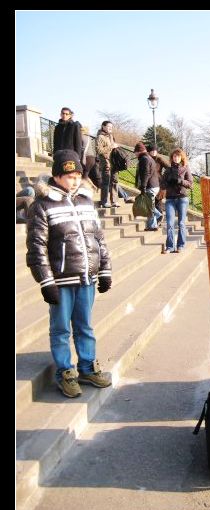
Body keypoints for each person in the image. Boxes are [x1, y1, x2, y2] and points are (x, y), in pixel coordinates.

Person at [26, 150, 112, 398]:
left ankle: (87, 367)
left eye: (77, 176)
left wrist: (104, 269)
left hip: (86, 277)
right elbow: (37, 248)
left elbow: (99, 239)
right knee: (61, 328)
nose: (74, 181)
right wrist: (46, 281)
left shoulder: (86, 201)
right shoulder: (42, 205)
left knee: (85, 326)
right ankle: (65, 371)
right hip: (61, 280)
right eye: (68, 176)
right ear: (56, 176)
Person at [160, 148, 193, 253]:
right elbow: (162, 184)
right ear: (172, 157)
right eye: (174, 156)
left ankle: (180, 245)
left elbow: (191, 184)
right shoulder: (168, 170)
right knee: (169, 223)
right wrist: (168, 182)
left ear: (181, 158)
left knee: (181, 223)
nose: (176, 158)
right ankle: (170, 246)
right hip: (170, 199)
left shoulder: (185, 168)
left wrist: (180, 181)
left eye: (178, 156)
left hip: (182, 198)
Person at [133, 142, 161, 230]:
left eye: (135, 152)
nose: (135, 154)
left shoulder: (144, 159)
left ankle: (154, 223)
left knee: (149, 206)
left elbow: (145, 174)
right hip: (154, 185)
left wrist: (143, 187)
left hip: (150, 186)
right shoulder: (149, 158)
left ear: (139, 151)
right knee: (149, 205)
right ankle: (155, 220)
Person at [96, 121, 119, 208]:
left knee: (115, 181)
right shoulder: (100, 137)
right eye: (108, 127)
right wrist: (111, 147)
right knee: (106, 182)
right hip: (106, 163)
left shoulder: (111, 136)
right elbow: (99, 150)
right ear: (103, 127)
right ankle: (104, 201)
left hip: (113, 162)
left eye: (111, 127)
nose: (110, 128)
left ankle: (114, 201)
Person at [147, 144, 170, 224]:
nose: (153, 152)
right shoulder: (147, 159)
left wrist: (163, 177)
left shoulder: (159, 159)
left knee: (158, 201)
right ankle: (157, 218)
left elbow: (169, 168)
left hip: (159, 183)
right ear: (149, 151)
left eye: (155, 150)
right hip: (150, 183)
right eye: (152, 150)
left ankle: (159, 219)